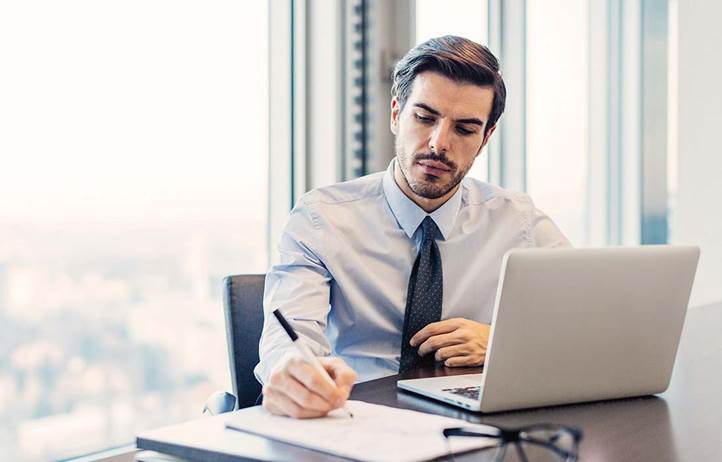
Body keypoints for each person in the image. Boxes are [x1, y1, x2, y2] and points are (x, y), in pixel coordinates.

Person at [254, 35, 570, 419]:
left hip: (473, 425)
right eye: (424, 118)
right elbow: (288, 336)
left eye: (465, 129)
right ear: (395, 114)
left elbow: (585, 322)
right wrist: (294, 372)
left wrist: (504, 343)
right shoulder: (321, 218)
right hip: (355, 419)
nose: (439, 144)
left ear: (485, 139)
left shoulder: (518, 221)